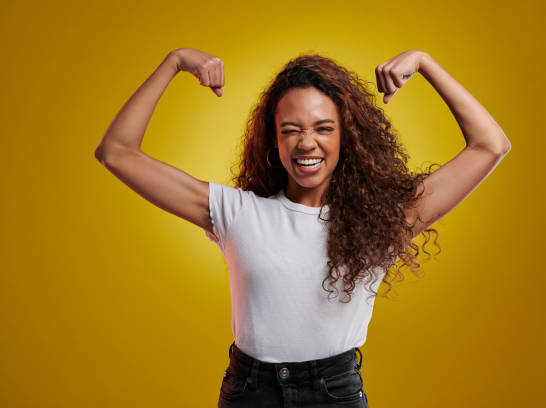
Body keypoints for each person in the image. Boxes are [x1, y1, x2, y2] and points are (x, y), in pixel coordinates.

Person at [94, 47, 511, 408]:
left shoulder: (384, 221)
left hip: (334, 393)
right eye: (290, 130)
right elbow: (117, 152)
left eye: (323, 128)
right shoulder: (236, 212)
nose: (306, 143)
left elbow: (490, 144)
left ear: (347, 136)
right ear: (273, 140)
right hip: (249, 393)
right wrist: (174, 62)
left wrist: (424, 62)